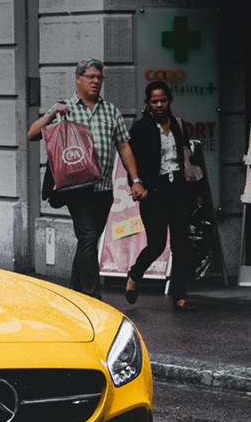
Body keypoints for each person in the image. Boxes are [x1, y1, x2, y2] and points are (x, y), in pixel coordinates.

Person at [28, 59, 145, 300]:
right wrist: (52, 114)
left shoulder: (111, 110)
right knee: (89, 236)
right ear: (78, 79)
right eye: (90, 76)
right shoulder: (66, 106)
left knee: (87, 241)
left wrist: (135, 179)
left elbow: (124, 146)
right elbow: (32, 134)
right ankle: (92, 297)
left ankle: (74, 293)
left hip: (103, 188)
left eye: (99, 78)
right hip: (76, 188)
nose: (95, 81)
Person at [123, 81, 196, 312]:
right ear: (147, 103)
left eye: (163, 100)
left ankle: (180, 296)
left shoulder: (178, 125)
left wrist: (196, 192)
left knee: (180, 246)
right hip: (153, 193)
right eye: (154, 101)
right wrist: (136, 185)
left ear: (169, 101)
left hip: (177, 191)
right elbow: (130, 161)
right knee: (156, 245)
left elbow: (187, 161)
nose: (159, 105)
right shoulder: (140, 128)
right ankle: (135, 275)